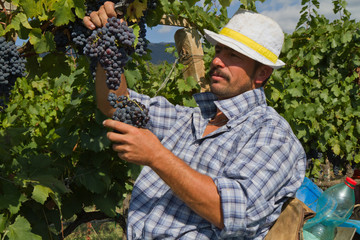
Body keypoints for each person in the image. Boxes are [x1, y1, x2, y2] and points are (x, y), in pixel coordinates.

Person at [83, 3, 306, 239]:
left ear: (262, 74)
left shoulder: (272, 135)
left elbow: (230, 213)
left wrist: (156, 156)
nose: (217, 60)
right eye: (219, 51)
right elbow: (115, 104)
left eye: (233, 55)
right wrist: (110, 49)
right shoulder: (189, 118)